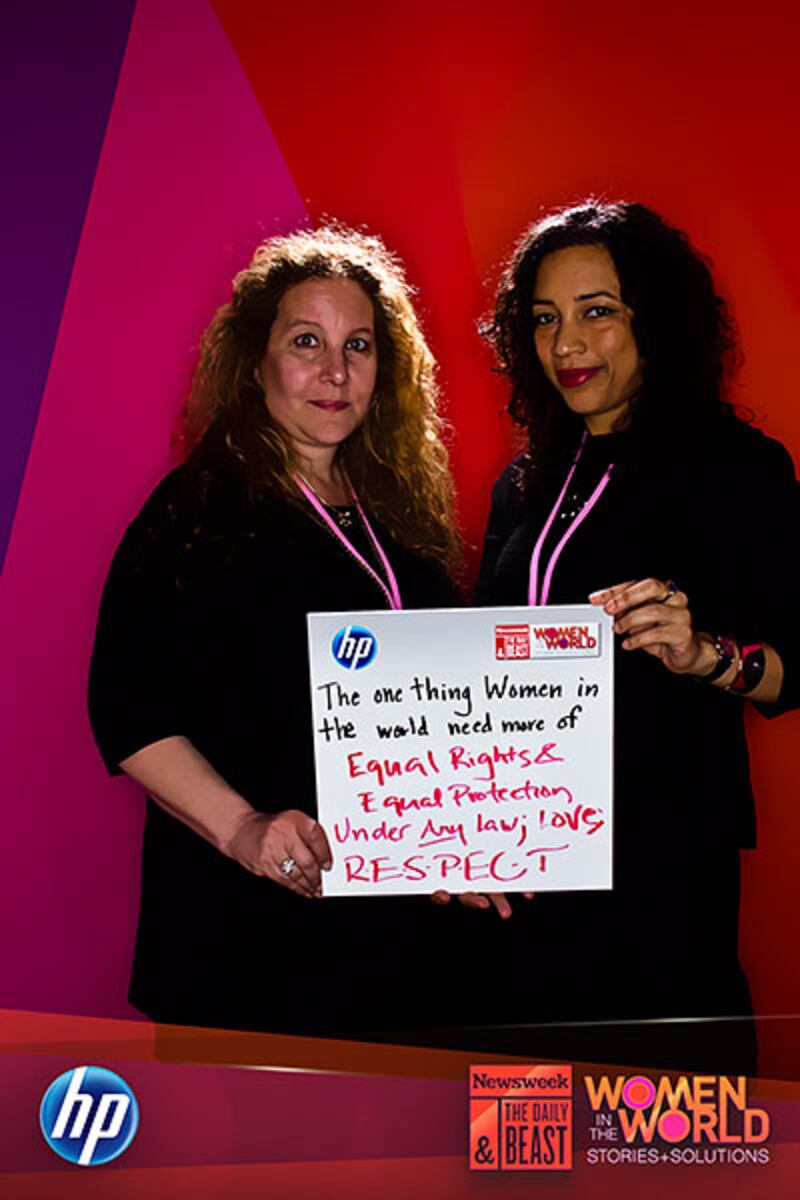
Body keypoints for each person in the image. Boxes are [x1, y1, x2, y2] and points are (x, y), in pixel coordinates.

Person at [89, 225, 462, 1037]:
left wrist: (468, 830)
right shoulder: (199, 511)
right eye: (306, 342)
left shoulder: (402, 518)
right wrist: (242, 829)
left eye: (358, 345)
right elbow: (126, 707)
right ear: (255, 366)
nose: (335, 372)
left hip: (398, 943)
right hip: (246, 937)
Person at [463, 200, 799, 1070]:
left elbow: (793, 668)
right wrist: (455, 826)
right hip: (525, 884)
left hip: (663, 880)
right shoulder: (523, 483)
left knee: (669, 1134)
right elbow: (473, 679)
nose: (567, 343)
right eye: (545, 319)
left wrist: (706, 655)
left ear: (658, 319)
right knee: (525, 1135)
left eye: (598, 311)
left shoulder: (740, 469)